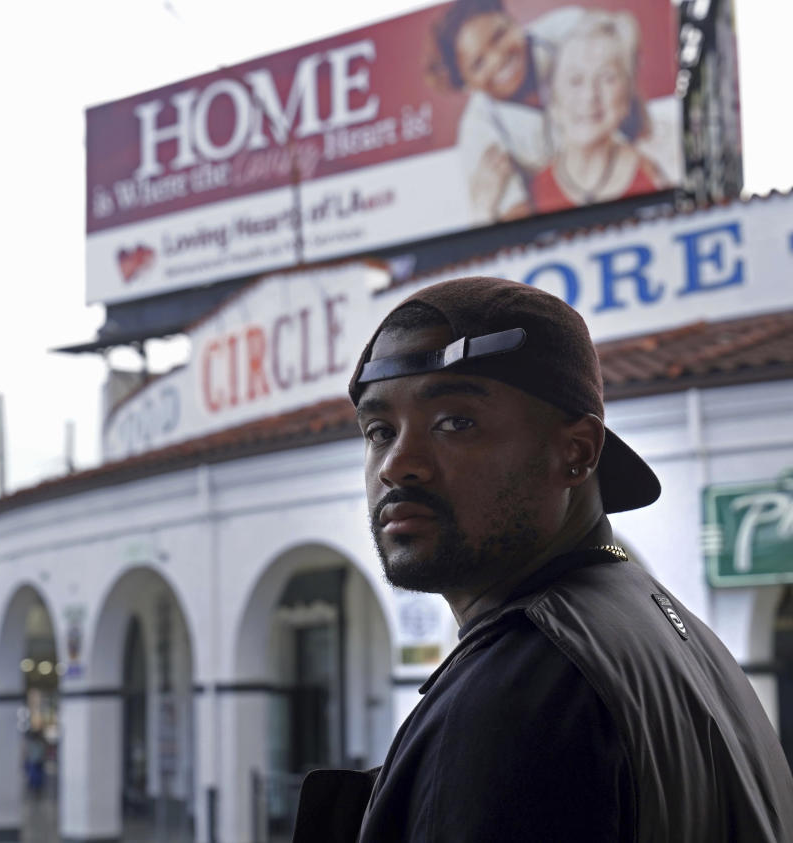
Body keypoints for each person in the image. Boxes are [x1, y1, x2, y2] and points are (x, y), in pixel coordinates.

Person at [291, 276, 793, 842]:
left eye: (455, 422)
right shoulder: (679, 638)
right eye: (380, 430)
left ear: (575, 452)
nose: (398, 464)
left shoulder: (522, 690)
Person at [428, 0, 584, 224]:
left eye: (499, 35)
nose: (498, 58)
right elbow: (516, 219)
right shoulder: (477, 130)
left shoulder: (571, 29)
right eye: (478, 63)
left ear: (513, 22)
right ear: (466, 84)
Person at [532, 12, 664, 213]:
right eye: (575, 80)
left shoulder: (654, 181)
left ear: (627, 94)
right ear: (552, 97)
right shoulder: (532, 192)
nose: (589, 95)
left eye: (606, 78)